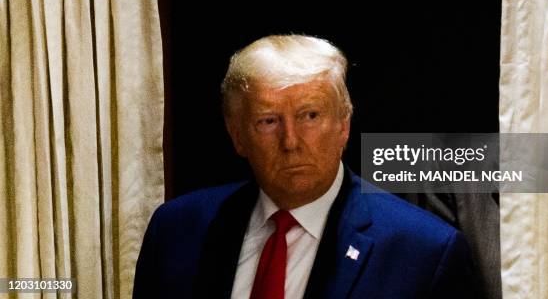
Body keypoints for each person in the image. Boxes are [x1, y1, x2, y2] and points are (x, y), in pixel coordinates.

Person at [133, 34, 479, 299]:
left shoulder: (426, 251)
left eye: (310, 116)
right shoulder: (177, 230)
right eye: (268, 121)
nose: (291, 142)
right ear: (237, 135)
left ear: (344, 124)